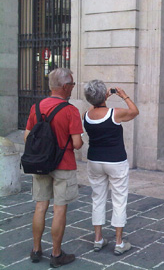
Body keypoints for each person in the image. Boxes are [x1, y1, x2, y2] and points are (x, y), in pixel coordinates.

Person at [24, 68, 84, 268]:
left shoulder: (37, 107)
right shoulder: (70, 110)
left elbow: (27, 137)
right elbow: (76, 144)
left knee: (40, 206)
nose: (72, 88)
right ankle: (56, 254)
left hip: (40, 163)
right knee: (59, 209)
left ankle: (36, 249)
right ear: (65, 86)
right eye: (72, 85)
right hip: (63, 165)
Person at [83, 80, 139, 256]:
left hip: (94, 161)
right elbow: (134, 111)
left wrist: (101, 99)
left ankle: (98, 239)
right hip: (115, 161)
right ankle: (119, 242)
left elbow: (96, 110)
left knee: (97, 198)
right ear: (103, 96)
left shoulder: (86, 115)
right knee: (119, 199)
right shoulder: (115, 114)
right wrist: (124, 96)